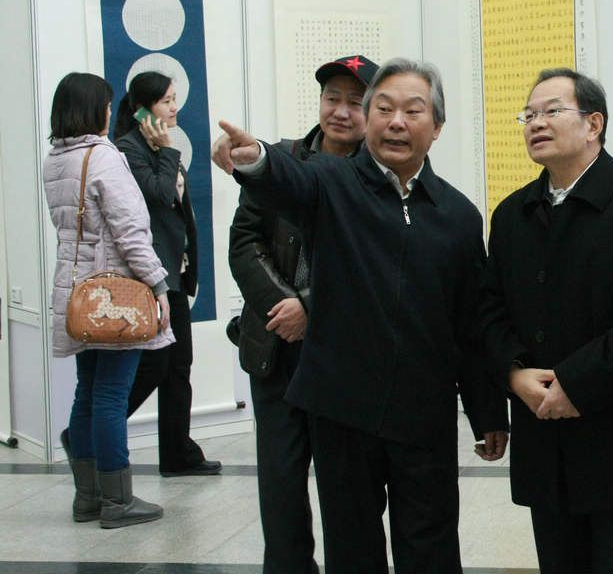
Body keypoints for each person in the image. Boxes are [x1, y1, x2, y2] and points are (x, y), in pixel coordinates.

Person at [212, 58, 508, 574]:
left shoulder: (459, 216)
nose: (396, 122)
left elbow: (469, 325)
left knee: (432, 543)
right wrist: (254, 159)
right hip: (342, 409)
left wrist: (487, 413)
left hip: (424, 412)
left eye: (413, 111)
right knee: (352, 547)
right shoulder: (331, 182)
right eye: (384, 109)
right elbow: (286, 179)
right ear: (369, 121)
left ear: (437, 127)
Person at [477, 68, 613, 574]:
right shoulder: (512, 214)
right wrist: (513, 373)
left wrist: (575, 382)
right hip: (543, 432)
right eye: (529, 115)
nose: (536, 123)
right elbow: (489, 309)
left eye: (552, 111)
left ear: (594, 124)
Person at [227, 53, 377, 573]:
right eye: (332, 98)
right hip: (276, 348)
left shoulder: (378, 175)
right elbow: (245, 241)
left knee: (347, 489)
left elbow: (378, 262)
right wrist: (283, 305)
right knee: (281, 483)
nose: (341, 111)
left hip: (343, 357)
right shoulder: (280, 161)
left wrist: (311, 308)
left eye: (356, 103)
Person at [43, 72, 173, 528]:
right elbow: (130, 233)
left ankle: (88, 498)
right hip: (115, 296)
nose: (108, 111)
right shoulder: (103, 157)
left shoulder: (56, 160)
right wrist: (158, 285)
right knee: (112, 397)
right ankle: (118, 501)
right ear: (93, 110)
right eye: (106, 104)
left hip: (78, 294)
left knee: (88, 393)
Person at [113, 71, 221, 476]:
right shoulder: (128, 149)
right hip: (151, 275)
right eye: (166, 101)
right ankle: (87, 432)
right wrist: (168, 150)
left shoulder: (154, 146)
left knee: (179, 366)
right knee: (156, 366)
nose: (175, 108)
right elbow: (159, 195)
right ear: (143, 110)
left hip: (174, 270)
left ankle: (177, 453)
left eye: (175, 99)